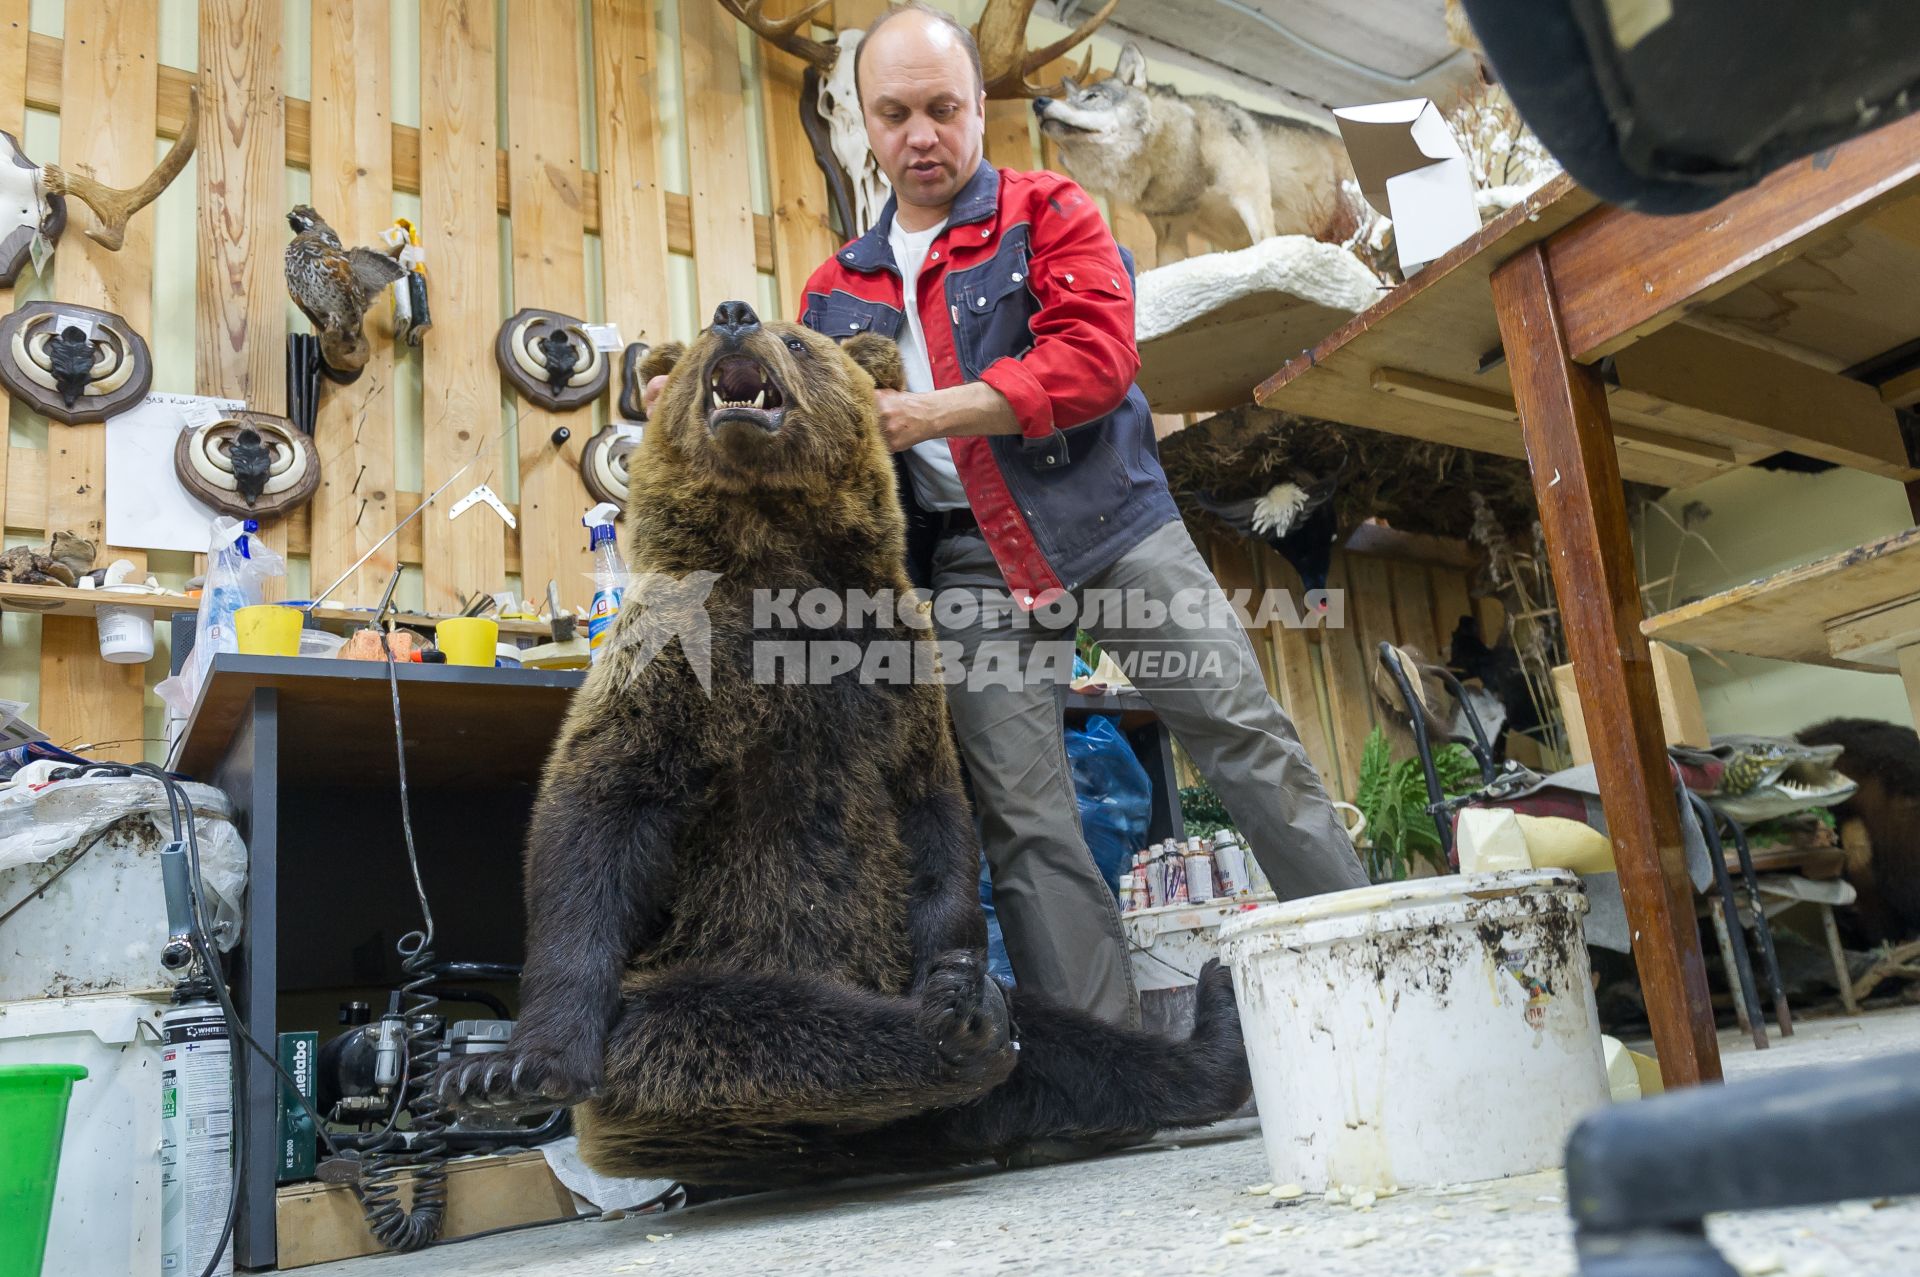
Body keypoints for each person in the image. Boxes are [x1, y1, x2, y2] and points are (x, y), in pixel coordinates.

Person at [653, 3, 1367, 1028]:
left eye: (943, 108)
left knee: (1245, 736)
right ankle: (1110, 1066)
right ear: (865, 124)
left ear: (978, 107)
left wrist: (927, 412)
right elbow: (815, 460)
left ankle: (1376, 958)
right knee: (1026, 820)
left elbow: (1095, 359)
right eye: (895, 114)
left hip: (1114, 527)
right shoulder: (830, 292)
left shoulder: (1051, 210)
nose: (922, 135)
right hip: (971, 568)